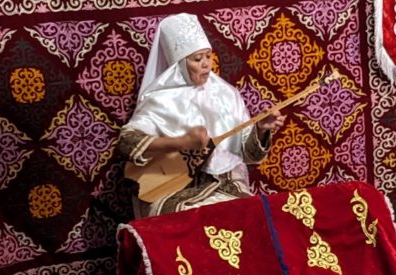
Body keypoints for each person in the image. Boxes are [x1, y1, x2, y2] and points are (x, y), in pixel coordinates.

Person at [118, 13, 285, 217]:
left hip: (225, 184)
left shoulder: (227, 94)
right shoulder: (160, 100)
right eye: (197, 59)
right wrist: (182, 142)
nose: (207, 64)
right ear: (179, 65)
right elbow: (126, 142)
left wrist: (260, 129)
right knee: (191, 222)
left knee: (255, 215)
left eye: (208, 55)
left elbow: (249, 155)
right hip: (175, 189)